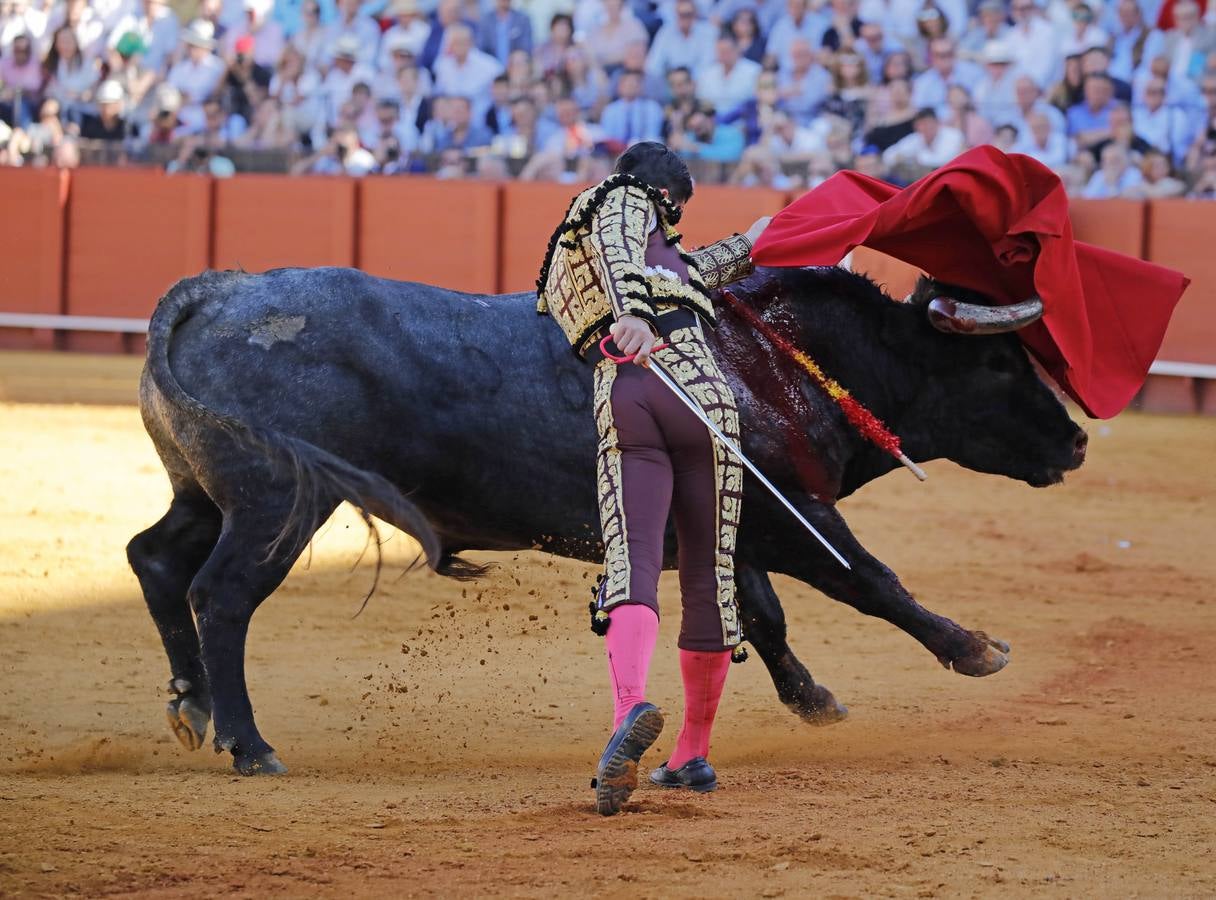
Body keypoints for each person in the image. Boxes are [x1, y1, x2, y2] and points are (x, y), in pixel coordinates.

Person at [535, 141, 769, 816]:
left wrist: (751, 241)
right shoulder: (624, 200)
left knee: (633, 558)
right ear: (664, 195)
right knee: (709, 572)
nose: (671, 226)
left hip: (632, 389)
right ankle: (691, 753)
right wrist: (636, 309)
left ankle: (629, 715)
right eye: (676, 211)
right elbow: (627, 240)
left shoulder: (579, 252)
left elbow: (687, 258)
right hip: (705, 394)